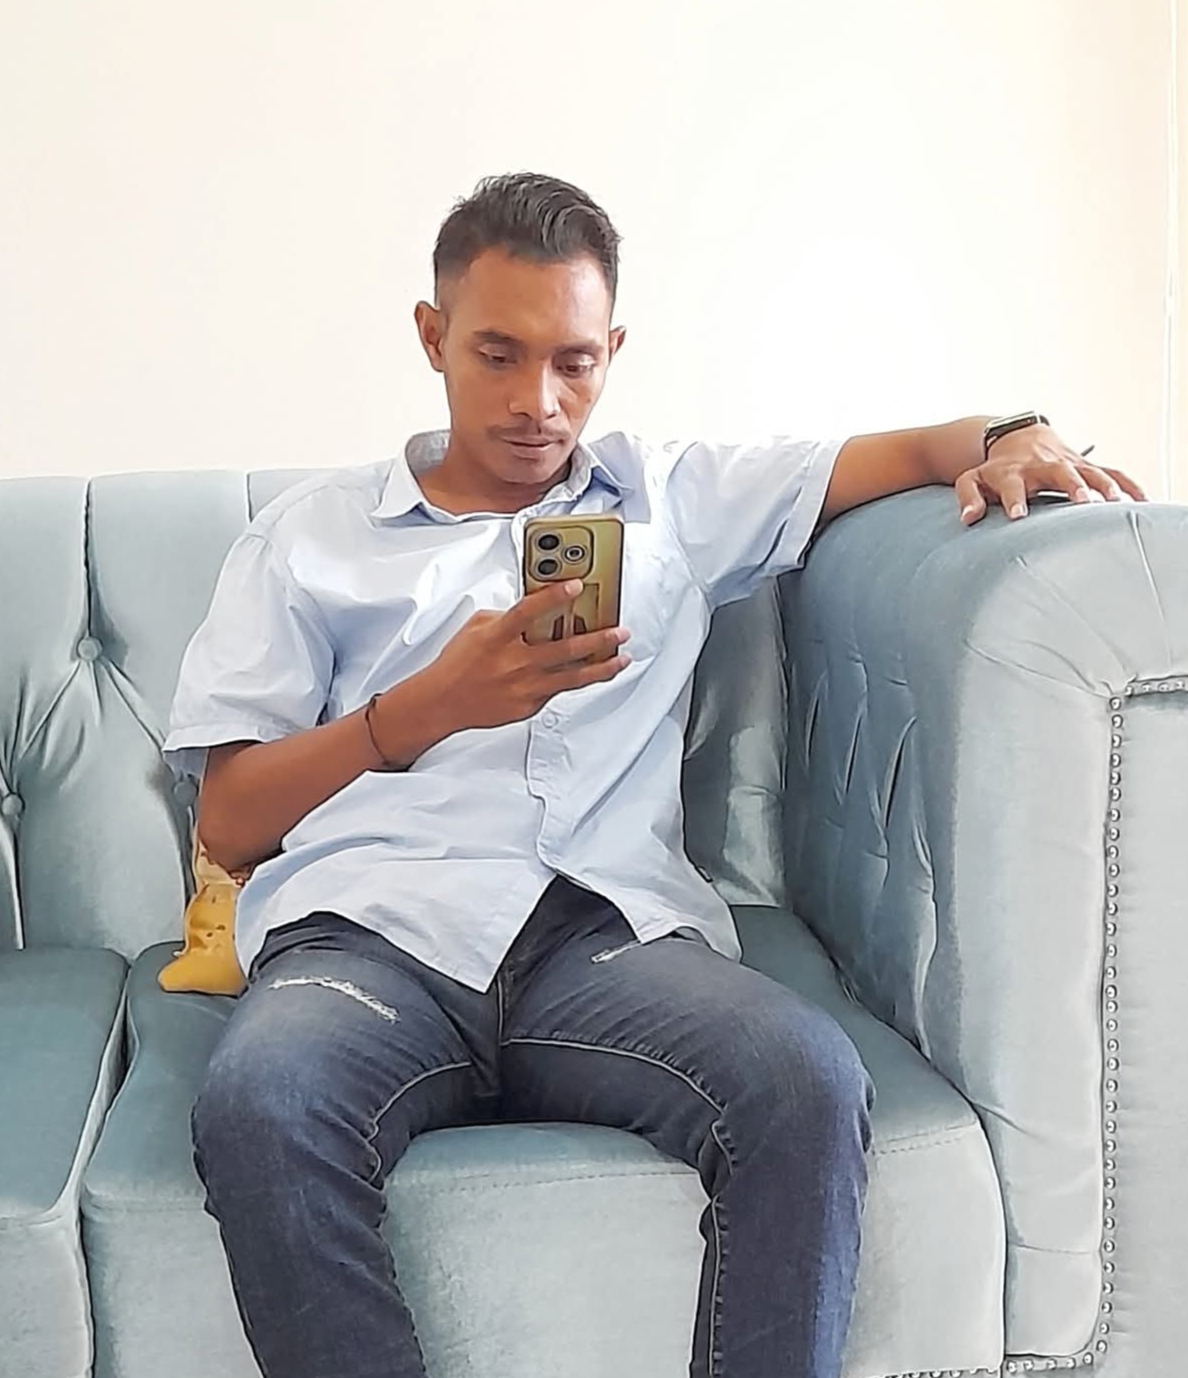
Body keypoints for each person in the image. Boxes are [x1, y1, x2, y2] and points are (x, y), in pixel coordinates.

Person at [164, 171, 1146, 1378]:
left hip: (602, 941)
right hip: (370, 940)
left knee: (803, 1082)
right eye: (498, 354)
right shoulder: (311, 537)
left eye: (574, 361)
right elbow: (231, 819)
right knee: (260, 1105)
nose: (539, 402)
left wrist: (1014, 435)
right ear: (432, 336)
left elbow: (905, 449)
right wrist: (421, 711)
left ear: (614, 351)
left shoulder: (673, 496)